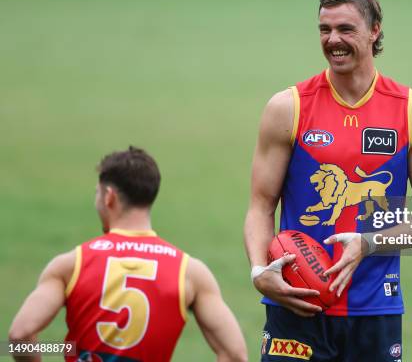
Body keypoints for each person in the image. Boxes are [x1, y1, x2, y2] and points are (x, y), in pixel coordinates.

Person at [244, 0, 412, 361]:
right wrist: (260, 271)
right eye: (325, 30)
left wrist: (368, 243)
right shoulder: (287, 108)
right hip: (295, 307)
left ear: (375, 31)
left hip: (374, 311)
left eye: (345, 29)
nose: (333, 40)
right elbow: (260, 205)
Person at [9, 146, 247, 362]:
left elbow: (20, 336)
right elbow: (235, 354)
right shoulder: (190, 272)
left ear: (108, 196)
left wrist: (68, 349)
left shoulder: (72, 264)